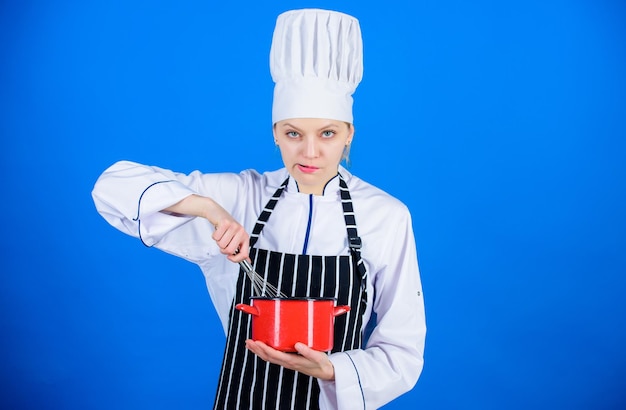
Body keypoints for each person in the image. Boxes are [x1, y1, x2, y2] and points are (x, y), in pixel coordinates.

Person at [92, 8, 426, 410]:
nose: (310, 152)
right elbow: (112, 186)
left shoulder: (386, 216)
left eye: (327, 133)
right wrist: (208, 209)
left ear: (349, 134)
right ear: (276, 135)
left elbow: (402, 352)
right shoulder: (242, 196)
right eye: (293, 133)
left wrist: (333, 370)